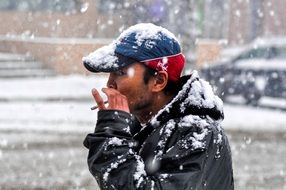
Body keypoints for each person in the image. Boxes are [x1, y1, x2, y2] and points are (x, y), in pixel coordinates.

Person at [82, 23, 234, 190]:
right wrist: (111, 133)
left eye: (120, 73)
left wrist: (112, 137)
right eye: (111, 73)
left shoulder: (198, 132)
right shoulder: (140, 126)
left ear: (159, 81)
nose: (110, 83)